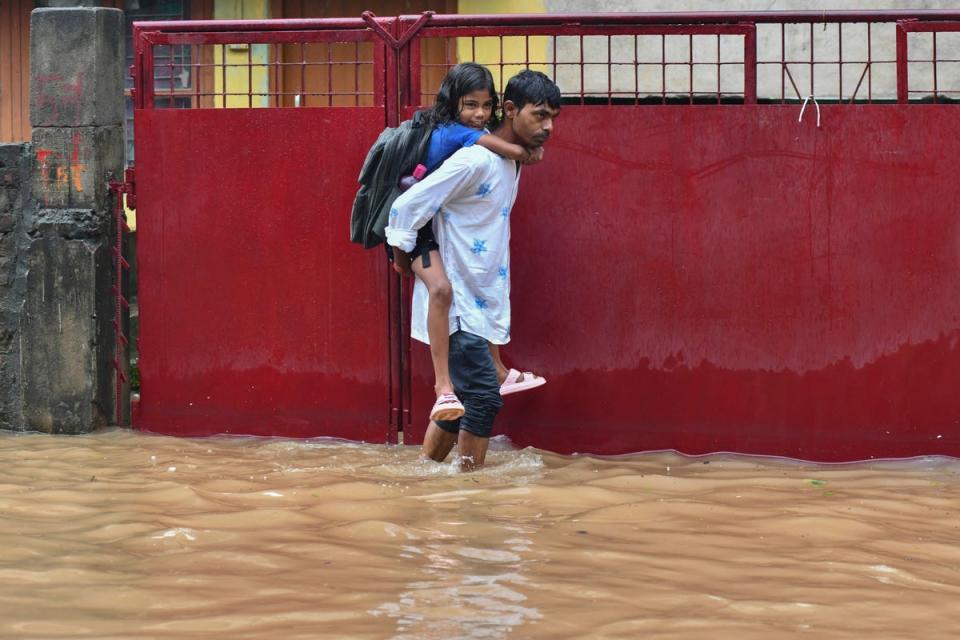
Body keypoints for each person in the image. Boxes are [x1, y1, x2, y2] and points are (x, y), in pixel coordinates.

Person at [385, 70, 561, 470]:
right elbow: (405, 208)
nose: (548, 127)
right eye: (540, 116)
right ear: (512, 110)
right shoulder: (474, 160)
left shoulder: (507, 162)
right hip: (458, 306)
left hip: (480, 306)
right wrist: (403, 260)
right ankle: (471, 493)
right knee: (483, 397)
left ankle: (426, 476)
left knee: (464, 402)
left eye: (553, 117)